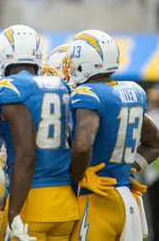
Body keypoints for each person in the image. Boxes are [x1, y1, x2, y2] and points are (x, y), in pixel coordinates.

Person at [66, 30, 159, 240]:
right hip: (126, 199)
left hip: (96, 200)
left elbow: (82, 146)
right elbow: (155, 143)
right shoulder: (131, 92)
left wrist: (77, 177)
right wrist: (130, 167)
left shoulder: (88, 94)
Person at [0, 25, 78, 241]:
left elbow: (26, 154)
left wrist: (14, 211)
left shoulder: (8, 88)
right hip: (66, 203)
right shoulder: (61, 85)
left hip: (29, 200)